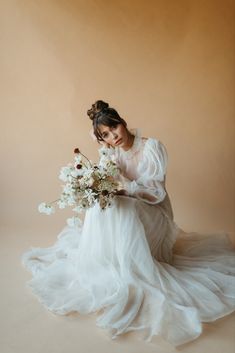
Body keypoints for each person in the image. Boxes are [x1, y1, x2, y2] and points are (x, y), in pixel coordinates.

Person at [22, 100, 235, 346]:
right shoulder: (112, 152)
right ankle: (109, 261)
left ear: (123, 123)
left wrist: (125, 192)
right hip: (133, 208)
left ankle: (133, 268)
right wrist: (97, 180)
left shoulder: (152, 147)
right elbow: (106, 179)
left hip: (156, 213)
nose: (114, 137)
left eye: (115, 129)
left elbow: (156, 192)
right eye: (106, 136)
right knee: (100, 202)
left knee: (123, 206)